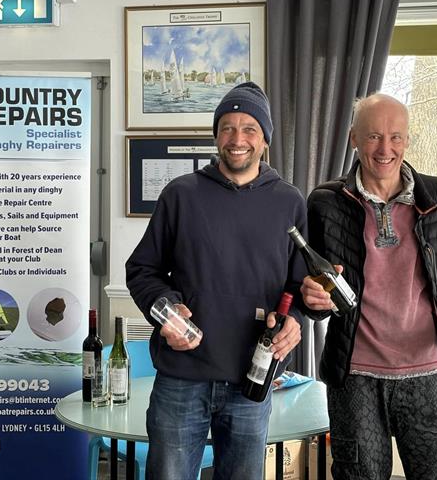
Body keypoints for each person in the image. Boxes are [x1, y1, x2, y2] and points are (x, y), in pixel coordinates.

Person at [126, 82, 308, 480]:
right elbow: (142, 271)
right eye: (227, 127)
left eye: (249, 129)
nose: (237, 139)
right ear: (216, 135)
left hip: (252, 382)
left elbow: (299, 287)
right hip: (181, 379)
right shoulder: (181, 195)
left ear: (264, 140)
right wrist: (167, 310)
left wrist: (294, 319)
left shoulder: (289, 202)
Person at [301, 93, 437, 480]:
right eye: (373, 137)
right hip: (355, 377)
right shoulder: (325, 203)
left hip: (429, 373)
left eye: (396, 137)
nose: (386, 149)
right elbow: (317, 298)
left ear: (407, 140)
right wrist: (312, 300)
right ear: (353, 138)